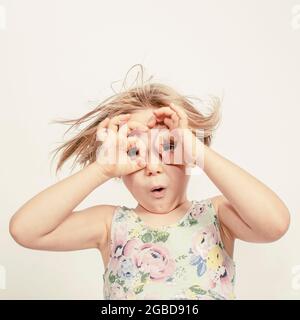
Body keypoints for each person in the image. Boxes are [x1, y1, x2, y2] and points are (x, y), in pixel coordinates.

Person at [9, 65, 290, 300]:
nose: (153, 167)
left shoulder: (217, 217)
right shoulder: (110, 225)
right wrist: (101, 169)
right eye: (134, 153)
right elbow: (26, 230)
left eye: (169, 147)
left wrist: (200, 152)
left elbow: (274, 224)